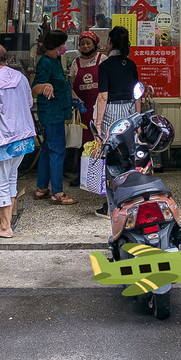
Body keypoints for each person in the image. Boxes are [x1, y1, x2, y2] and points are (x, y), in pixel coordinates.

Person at [0, 43, 36, 238]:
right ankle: (7, 220)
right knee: (12, 178)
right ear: (6, 58)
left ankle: (5, 227)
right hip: (24, 136)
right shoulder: (21, 78)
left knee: (0, 181)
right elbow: (29, 103)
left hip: (4, 139)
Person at [94, 26, 140, 217]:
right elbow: (137, 94)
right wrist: (137, 120)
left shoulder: (105, 66)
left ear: (110, 42)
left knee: (112, 157)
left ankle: (112, 205)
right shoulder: (130, 65)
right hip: (129, 111)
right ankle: (131, 200)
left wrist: (98, 124)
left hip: (112, 112)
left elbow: (103, 97)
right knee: (129, 155)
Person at [31, 30, 77, 205]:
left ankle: (42, 188)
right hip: (51, 113)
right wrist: (45, 85)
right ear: (55, 46)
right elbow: (35, 88)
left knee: (48, 149)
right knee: (57, 150)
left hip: (57, 110)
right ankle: (58, 192)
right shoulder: (45, 63)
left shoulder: (55, 61)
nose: (63, 48)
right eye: (61, 45)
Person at [67, 30, 105, 188]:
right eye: (82, 43)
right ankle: (82, 175)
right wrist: (75, 99)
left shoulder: (103, 59)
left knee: (98, 140)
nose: (85, 46)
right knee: (82, 142)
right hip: (81, 109)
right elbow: (69, 83)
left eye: (88, 43)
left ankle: (97, 174)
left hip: (98, 108)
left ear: (95, 44)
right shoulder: (75, 63)